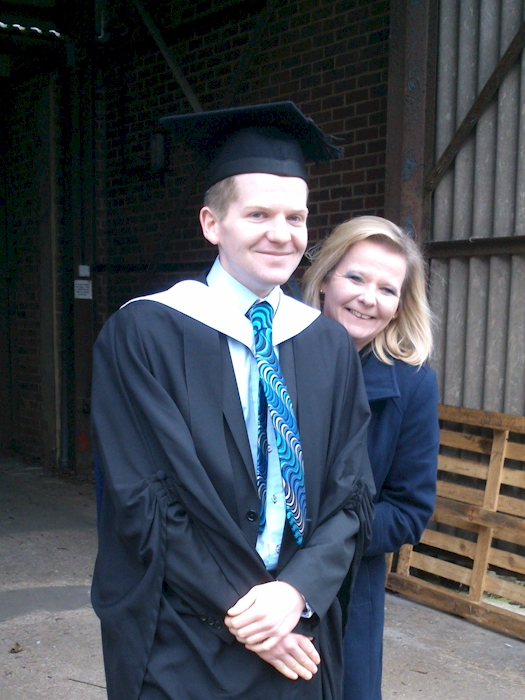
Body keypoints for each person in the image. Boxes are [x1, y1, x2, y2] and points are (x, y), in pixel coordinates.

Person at [91, 102, 375, 700]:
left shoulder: (326, 344)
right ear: (211, 223)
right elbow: (143, 497)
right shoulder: (144, 333)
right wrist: (248, 614)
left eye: (296, 217)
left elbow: (350, 494)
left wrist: (295, 593)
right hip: (185, 634)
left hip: (298, 629)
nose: (282, 233)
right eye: (258, 214)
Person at [302, 216, 440, 700]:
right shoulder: (269, 356)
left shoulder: (412, 385)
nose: (368, 298)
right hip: (252, 583)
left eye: (387, 289)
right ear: (324, 279)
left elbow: (408, 511)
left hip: (347, 594)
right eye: (356, 278)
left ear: (401, 304)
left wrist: (319, 541)